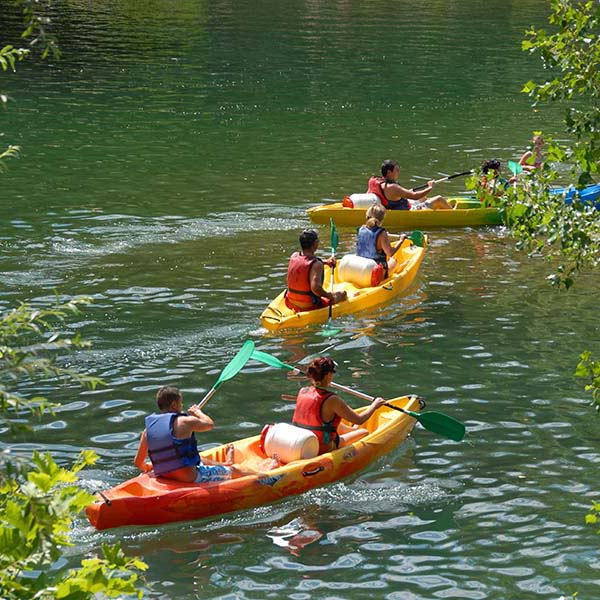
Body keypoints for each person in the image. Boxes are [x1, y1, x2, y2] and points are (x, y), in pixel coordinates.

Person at [134, 386, 254, 483]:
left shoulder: (147, 431)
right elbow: (209, 424)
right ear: (174, 405)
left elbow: (138, 463)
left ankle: (224, 464)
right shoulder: (185, 421)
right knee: (234, 470)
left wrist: (148, 467)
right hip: (190, 477)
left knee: (198, 457)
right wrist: (198, 412)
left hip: (164, 475)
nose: (182, 407)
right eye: (181, 403)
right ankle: (265, 475)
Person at [292, 357, 387, 454]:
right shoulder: (332, 400)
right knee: (364, 432)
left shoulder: (303, 391)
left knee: (337, 424)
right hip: (322, 447)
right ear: (328, 375)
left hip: (301, 441)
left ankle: (352, 430)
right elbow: (359, 420)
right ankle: (350, 438)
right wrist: (374, 405)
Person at [285, 229, 347, 312]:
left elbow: (304, 262)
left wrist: (325, 262)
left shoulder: (294, 255)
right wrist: (329, 295)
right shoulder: (317, 264)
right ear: (315, 243)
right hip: (308, 305)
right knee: (343, 294)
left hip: (291, 301)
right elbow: (316, 288)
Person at [367, 159, 452, 210]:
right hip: (409, 209)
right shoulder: (393, 187)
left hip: (397, 204)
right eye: (397, 170)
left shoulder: (373, 180)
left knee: (422, 196)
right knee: (439, 199)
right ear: (389, 172)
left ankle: (433, 207)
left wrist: (406, 193)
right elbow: (415, 196)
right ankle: (452, 213)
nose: (398, 172)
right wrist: (430, 187)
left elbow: (369, 193)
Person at [356, 203, 406, 277]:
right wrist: (401, 241)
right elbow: (390, 253)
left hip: (360, 268)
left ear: (367, 216)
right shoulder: (382, 233)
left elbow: (370, 238)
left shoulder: (361, 229)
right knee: (393, 260)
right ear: (382, 219)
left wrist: (385, 235)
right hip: (375, 273)